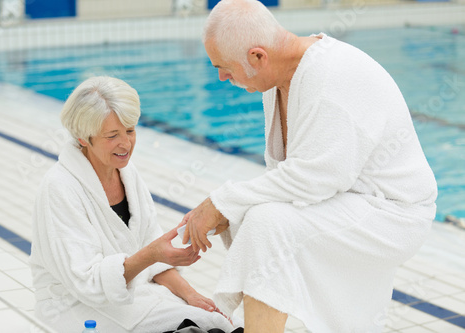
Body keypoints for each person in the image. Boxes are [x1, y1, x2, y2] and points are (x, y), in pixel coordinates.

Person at [181, 1, 438, 332]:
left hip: (394, 214)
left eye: (224, 67)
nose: (220, 77)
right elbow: (287, 179)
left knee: (267, 223)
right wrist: (230, 209)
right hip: (349, 198)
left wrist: (222, 202)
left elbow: (316, 179)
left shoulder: (330, 78)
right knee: (257, 217)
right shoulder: (275, 81)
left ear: (258, 57)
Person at [29, 76, 235, 333]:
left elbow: (154, 259)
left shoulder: (126, 173)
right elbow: (88, 282)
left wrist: (191, 295)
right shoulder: (59, 188)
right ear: (83, 138)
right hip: (76, 309)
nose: (125, 144)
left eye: (130, 130)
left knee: (220, 324)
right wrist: (150, 254)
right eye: (112, 135)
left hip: (134, 299)